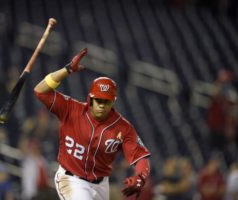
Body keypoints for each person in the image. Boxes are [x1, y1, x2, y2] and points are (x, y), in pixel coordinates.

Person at [33, 48, 151, 200]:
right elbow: (40, 91)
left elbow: (141, 157)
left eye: (106, 101)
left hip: (102, 185)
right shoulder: (71, 109)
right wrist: (66, 70)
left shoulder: (123, 127)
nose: (102, 105)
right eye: (98, 100)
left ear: (113, 102)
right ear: (90, 99)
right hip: (71, 179)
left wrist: (141, 177)